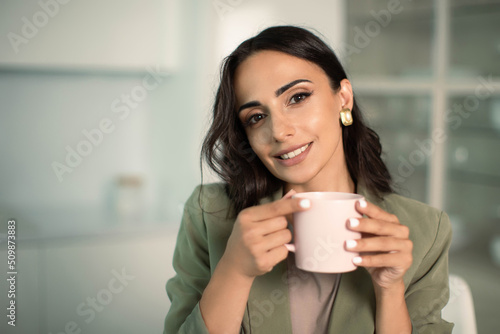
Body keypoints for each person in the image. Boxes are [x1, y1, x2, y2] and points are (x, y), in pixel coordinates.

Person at [164, 25, 453, 334]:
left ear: (343, 97)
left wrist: (390, 291)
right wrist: (234, 271)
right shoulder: (208, 214)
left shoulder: (425, 231)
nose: (278, 131)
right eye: (256, 117)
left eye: (297, 97)